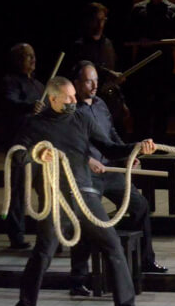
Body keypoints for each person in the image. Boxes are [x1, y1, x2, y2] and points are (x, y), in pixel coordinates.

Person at [13, 75, 156, 306]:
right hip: (55, 199)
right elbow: (18, 154)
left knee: (112, 245)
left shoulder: (81, 118)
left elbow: (108, 147)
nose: (73, 101)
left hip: (85, 195)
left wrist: (136, 147)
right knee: (44, 252)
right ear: (53, 99)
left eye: (74, 96)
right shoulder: (34, 124)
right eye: (68, 98)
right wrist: (38, 154)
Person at [67, 61, 163, 293]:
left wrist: (128, 155)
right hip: (87, 174)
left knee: (140, 205)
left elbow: (111, 136)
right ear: (76, 84)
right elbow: (67, 145)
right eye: (88, 81)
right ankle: (78, 278)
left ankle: (146, 260)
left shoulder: (100, 104)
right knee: (86, 218)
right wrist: (88, 161)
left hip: (109, 169)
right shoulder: (70, 110)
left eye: (96, 81)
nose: (94, 86)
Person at [124, 0, 175, 141]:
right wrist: (140, 40)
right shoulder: (138, 9)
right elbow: (129, 36)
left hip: (164, 65)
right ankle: (140, 143)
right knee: (142, 106)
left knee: (162, 105)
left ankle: (160, 144)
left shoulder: (173, 10)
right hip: (143, 65)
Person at [0, 43, 42, 248]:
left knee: (46, 189)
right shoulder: (10, 82)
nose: (33, 59)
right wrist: (30, 107)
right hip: (19, 144)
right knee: (18, 190)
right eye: (27, 56)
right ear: (17, 60)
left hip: (40, 145)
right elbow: (9, 103)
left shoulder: (38, 85)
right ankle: (16, 235)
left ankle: (49, 233)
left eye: (33, 55)